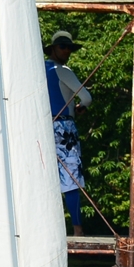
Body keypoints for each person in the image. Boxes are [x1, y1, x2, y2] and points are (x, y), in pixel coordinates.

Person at [45, 30, 93, 237]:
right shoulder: (62, 70)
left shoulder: (38, 69)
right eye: (63, 47)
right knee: (71, 177)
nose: (67, 51)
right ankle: (77, 229)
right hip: (63, 127)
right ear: (54, 48)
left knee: (45, 177)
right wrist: (82, 107)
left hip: (41, 125)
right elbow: (86, 97)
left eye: (69, 48)